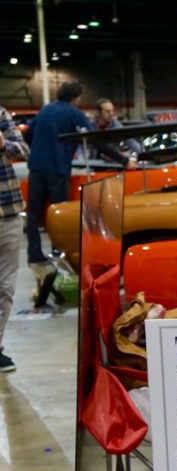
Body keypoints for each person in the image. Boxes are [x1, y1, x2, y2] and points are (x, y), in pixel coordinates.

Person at [24, 82, 92, 268]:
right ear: (76, 97)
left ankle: (34, 255)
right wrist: (123, 160)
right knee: (59, 214)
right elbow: (92, 138)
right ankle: (58, 254)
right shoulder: (74, 113)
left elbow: (27, 135)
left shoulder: (45, 110)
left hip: (36, 167)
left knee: (34, 215)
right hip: (58, 169)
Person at [0, 107, 27, 371]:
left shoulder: (0, 115)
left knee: (6, 288)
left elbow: (23, 151)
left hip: (8, 213)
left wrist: (3, 144)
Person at [91, 98, 140, 168]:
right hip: (93, 163)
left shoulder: (116, 126)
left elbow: (130, 141)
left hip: (112, 163)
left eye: (112, 110)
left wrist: (143, 154)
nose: (111, 114)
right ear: (99, 112)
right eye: (107, 111)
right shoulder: (90, 125)